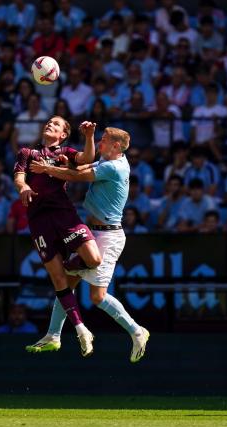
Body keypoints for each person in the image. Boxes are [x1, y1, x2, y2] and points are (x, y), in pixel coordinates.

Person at [28, 126, 149, 362]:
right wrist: (66, 163)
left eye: (103, 141)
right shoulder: (110, 160)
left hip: (108, 236)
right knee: (66, 282)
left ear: (116, 146)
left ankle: (137, 331)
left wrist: (47, 169)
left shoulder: (114, 167)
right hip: (95, 232)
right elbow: (80, 168)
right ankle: (53, 335)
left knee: (97, 296)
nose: (100, 144)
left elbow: (77, 177)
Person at [13, 116, 102, 357]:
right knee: (57, 279)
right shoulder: (27, 153)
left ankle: (72, 268)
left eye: (56, 124)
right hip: (39, 220)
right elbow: (19, 177)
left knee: (93, 259)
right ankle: (81, 329)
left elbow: (86, 159)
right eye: (49, 122)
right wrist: (24, 188)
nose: (50, 125)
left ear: (62, 135)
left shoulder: (65, 151)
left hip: (64, 214)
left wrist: (90, 137)